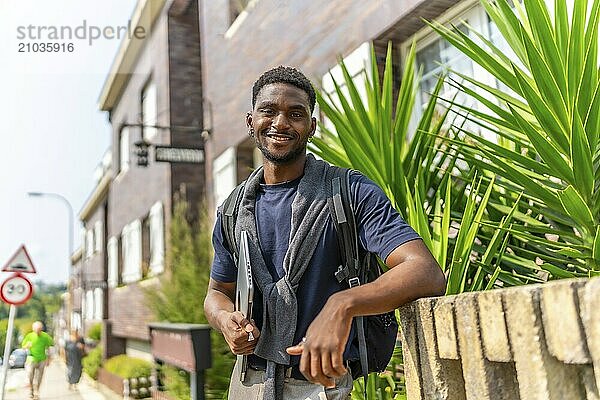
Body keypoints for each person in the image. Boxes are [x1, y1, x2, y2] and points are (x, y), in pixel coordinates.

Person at [204, 66, 446, 400]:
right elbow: (217, 292)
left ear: (312, 127)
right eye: (269, 111)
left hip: (322, 387)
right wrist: (223, 318)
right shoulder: (232, 209)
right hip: (247, 383)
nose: (280, 123)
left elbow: (425, 272)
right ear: (251, 121)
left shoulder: (349, 191)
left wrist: (342, 304)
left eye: (296, 114)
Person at [21, 321, 54, 399]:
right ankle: (31, 390)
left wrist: (49, 359)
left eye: (39, 329)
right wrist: (27, 346)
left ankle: (36, 391)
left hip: (42, 359)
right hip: (31, 358)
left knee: (39, 377)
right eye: (36, 329)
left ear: (41, 329)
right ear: (33, 329)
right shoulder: (29, 336)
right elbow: (23, 347)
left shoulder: (45, 336)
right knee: (30, 374)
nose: (37, 331)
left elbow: (49, 347)